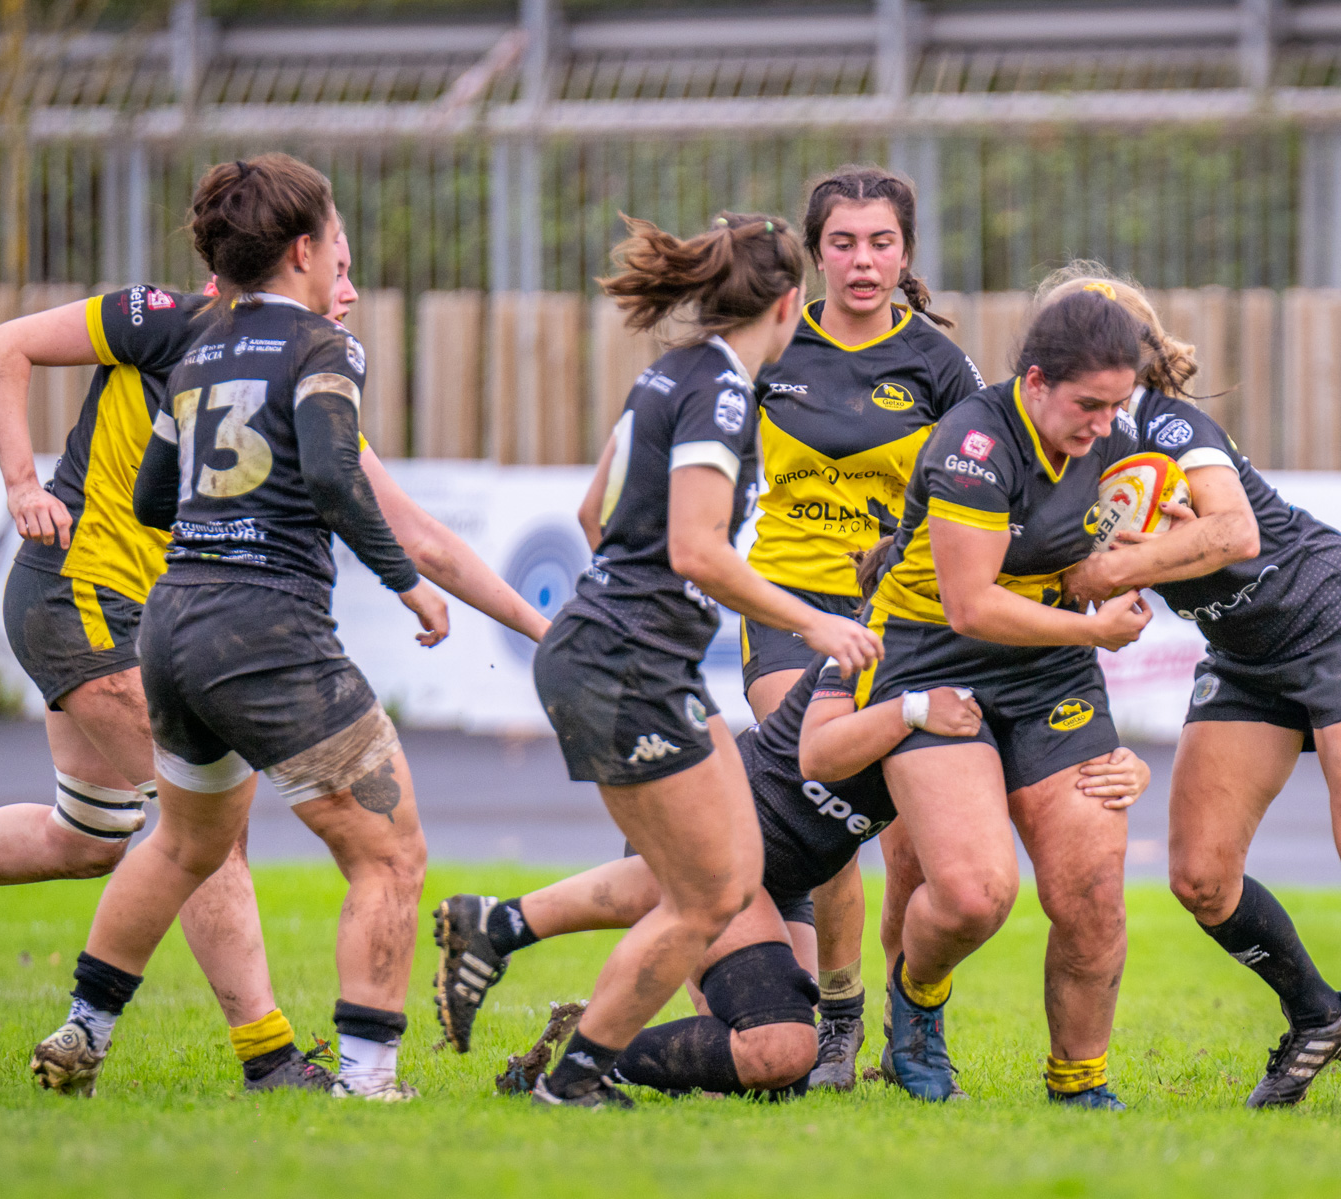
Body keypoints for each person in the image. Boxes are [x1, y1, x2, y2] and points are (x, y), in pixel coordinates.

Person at [0, 230, 546, 1094]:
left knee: (91, 835)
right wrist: (23, 483)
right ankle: (269, 1055)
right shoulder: (165, 321)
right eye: (341, 269)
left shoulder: (289, 370)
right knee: (203, 834)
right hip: (84, 595)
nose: (349, 292)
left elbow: (418, 532)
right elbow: (1, 344)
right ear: (290, 259)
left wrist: (544, 628)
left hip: (149, 619)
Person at [435, 543, 1151, 1098]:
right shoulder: (874, 648)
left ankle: (520, 953)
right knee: (780, 1051)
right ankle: (583, 1058)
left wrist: (1125, 767)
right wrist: (909, 712)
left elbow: (1027, 775)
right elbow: (820, 753)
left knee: (773, 1068)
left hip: (784, 883)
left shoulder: (988, 674)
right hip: (721, 841)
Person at [29, 153, 441, 1102]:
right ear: (304, 250)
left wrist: (222, 533)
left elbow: (151, 494)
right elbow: (337, 475)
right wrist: (406, 580)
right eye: (336, 242)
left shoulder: (199, 346)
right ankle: (370, 1082)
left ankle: (84, 1031)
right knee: (391, 853)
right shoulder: (324, 347)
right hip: (268, 631)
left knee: (181, 842)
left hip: (172, 624)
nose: (343, 262)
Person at [1059, 265, 1341, 1110]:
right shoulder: (1062, 449)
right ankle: (1319, 1014)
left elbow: (1233, 529)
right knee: (1201, 877)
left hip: (1340, 626)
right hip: (1246, 654)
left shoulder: (1172, 425)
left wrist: (1113, 570)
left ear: (1133, 360)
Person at [521, 211, 882, 1108]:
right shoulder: (723, 392)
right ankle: (574, 1070)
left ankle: (529, 979)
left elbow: (592, 513)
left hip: (632, 654)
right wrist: (820, 623)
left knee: (720, 888)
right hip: (633, 662)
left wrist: (633, 598)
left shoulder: (672, 371)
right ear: (791, 306)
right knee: (709, 890)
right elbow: (696, 550)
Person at [804, 287, 1154, 1104]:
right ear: (1035, 382)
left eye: (1117, 406)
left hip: (1050, 674)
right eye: (1088, 404)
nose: (1104, 424)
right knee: (971, 893)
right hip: (933, 658)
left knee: (1093, 888)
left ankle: (1080, 1084)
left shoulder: (1115, 440)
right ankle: (916, 1010)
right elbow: (972, 604)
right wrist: (1095, 630)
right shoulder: (973, 441)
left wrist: (1136, 562)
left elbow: (1144, 536)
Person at [742, 165, 985, 1089]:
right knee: (824, 802)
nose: (862, 261)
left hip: (900, 618)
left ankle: (908, 1026)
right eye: (842, 242)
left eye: (881, 242)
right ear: (815, 254)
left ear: (907, 253)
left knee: (913, 846)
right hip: (788, 612)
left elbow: (983, 485)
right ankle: (837, 1016)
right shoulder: (772, 348)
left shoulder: (936, 364)